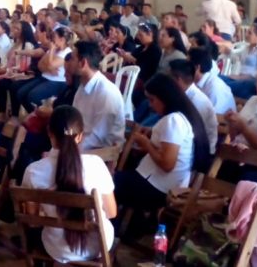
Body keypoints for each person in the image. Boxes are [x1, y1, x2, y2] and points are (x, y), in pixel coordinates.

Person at [21, 106, 118, 264]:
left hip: (57, 248)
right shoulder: (97, 165)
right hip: (98, 245)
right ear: (80, 136)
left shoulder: (33, 171)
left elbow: (33, 221)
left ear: (50, 133)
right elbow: (111, 212)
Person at [113, 74, 211, 221]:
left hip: (158, 188)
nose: (150, 105)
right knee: (112, 179)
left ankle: (108, 227)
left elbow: (167, 164)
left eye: (152, 100)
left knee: (106, 185)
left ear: (165, 98)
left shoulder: (173, 121)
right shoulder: (180, 117)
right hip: (159, 182)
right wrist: (152, 134)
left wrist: (146, 143)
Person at [67, 42, 125, 151]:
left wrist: (67, 150)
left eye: (72, 58)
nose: (68, 62)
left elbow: (98, 138)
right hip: (81, 145)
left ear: (83, 63)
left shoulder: (107, 92)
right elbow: (73, 123)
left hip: (101, 152)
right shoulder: (82, 87)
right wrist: (61, 144)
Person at [13, 28, 73, 115]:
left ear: (62, 39)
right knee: (21, 93)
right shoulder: (53, 49)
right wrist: (49, 67)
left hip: (57, 82)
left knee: (33, 96)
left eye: (54, 37)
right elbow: (40, 65)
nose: (52, 39)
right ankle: (34, 115)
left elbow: (51, 64)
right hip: (44, 77)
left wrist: (51, 52)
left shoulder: (67, 52)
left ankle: (43, 116)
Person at [169, 59, 219, 153]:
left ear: (178, 80)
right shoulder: (183, 94)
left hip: (199, 151)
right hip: (187, 143)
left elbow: (193, 133)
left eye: (168, 79)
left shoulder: (197, 101)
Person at [221, 24, 257, 99]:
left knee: (223, 85)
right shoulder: (246, 48)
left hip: (251, 82)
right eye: (247, 32)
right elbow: (236, 55)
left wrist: (246, 77)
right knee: (217, 79)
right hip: (239, 78)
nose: (246, 35)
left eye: (250, 33)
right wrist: (227, 51)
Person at [189, 48, 237, 116]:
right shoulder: (197, 81)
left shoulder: (214, 88)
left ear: (197, 67)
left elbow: (213, 118)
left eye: (187, 65)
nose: (184, 68)